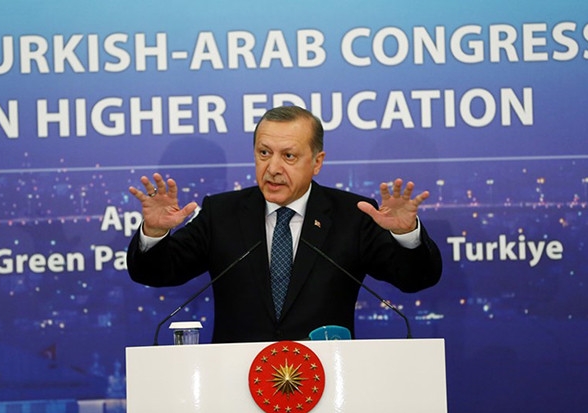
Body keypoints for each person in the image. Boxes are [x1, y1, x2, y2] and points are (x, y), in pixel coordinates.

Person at [126, 105, 442, 343]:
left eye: (289, 156)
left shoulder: (351, 215)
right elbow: (156, 272)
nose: (273, 168)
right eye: (264, 153)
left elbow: (416, 278)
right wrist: (155, 233)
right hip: (235, 384)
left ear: (317, 162)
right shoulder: (221, 213)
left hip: (326, 382)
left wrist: (405, 234)